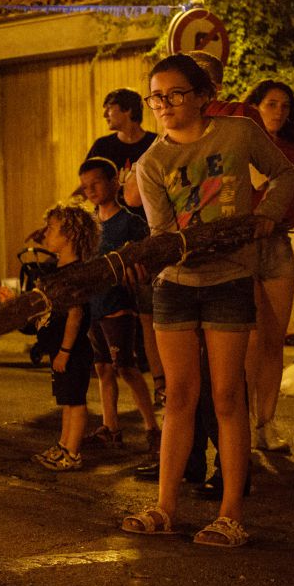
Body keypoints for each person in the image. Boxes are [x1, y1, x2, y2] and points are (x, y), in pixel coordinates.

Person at [122, 53, 294, 548]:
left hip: (230, 280)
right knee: (179, 395)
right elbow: (162, 234)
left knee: (226, 395)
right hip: (175, 286)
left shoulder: (238, 134)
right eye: (156, 97)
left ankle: (231, 513)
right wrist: (149, 258)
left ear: (202, 96)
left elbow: (285, 175)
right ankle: (165, 507)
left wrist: (267, 215)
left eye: (175, 94)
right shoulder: (152, 163)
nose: (164, 104)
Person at [243, 81, 294, 453]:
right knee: (248, 340)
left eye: (285, 106)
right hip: (240, 245)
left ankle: (266, 422)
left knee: (274, 340)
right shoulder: (238, 145)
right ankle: (240, 422)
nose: (279, 112)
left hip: (278, 244)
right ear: (254, 107)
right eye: (271, 104)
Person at [77, 158, 160, 458]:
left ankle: (152, 428)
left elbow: (147, 261)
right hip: (94, 305)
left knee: (125, 367)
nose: (90, 191)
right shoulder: (88, 225)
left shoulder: (131, 223)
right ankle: (110, 427)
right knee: (102, 368)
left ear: (114, 183)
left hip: (118, 306)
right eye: (85, 186)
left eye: (96, 183)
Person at [88, 88, 166, 406]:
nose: (105, 114)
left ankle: (160, 383)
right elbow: (89, 183)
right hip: (111, 242)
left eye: (111, 108)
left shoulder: (154, 145)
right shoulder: (102, 148)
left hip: (146, 239)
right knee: (112, 314)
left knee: (149, 315)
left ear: (129, 111)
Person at [28, 202, 97, 471]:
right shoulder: (59, 269)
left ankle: (72, 452)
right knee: (67, 400)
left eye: (51, 229)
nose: (45, 233)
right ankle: (63, 444)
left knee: (76, 401)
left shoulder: (75, 273)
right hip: (61, 350)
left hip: (73, 351)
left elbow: (75, 314)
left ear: (70, 235)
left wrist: (65, 351)